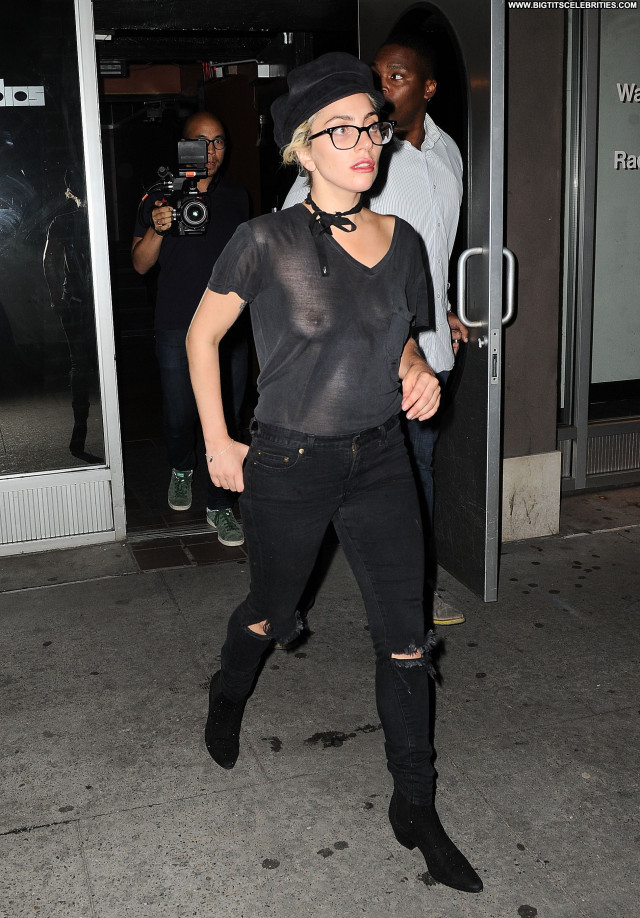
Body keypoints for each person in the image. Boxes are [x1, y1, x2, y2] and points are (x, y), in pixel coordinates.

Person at [186, 52, 482, 894]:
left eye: (371, 127)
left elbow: (396, 340)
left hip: (380, 459)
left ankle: (415, 804)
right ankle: (229, 689)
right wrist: (218, 442)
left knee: (406, 638)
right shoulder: (263, 241)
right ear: (303, 149)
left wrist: (418, 373)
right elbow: (202, 337)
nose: (363, 144)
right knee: (271, 611)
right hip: (289, 459)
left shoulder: (405, 241)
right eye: (340, 131)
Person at [284, 32, 467, 625]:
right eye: (377, 77)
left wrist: (443, 307)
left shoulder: (448, 153)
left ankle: (415, 593)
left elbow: (433, 252)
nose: (382, 90)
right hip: (359, 357)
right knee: (333, 476)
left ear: (428, 88)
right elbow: (292, 236)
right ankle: (287, 597)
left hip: (430, 351)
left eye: (396, 77)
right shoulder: (357, 155)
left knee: (417, 472)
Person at [132, 111, 249, 546]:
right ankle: (182, 466)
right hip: (176, 323)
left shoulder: (237, 196)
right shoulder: (157, 194)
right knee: (180, 413)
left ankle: (221, 505)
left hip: (229, 327)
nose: (211, 151)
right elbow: (140, 264)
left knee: (228, 417)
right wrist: (158, 228)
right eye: (201, 142)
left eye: (219, 142)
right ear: (184, 147)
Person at [43, 167, 102, 463]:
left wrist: (58, 299)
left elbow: (49, 261)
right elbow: (49, 260)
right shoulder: (88, 219)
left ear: (71, 191)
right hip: (86, 300)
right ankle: (81, 434)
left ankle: (80, 434)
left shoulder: (65, 221)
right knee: (86, 364)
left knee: (80, 364)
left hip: (78, 300)